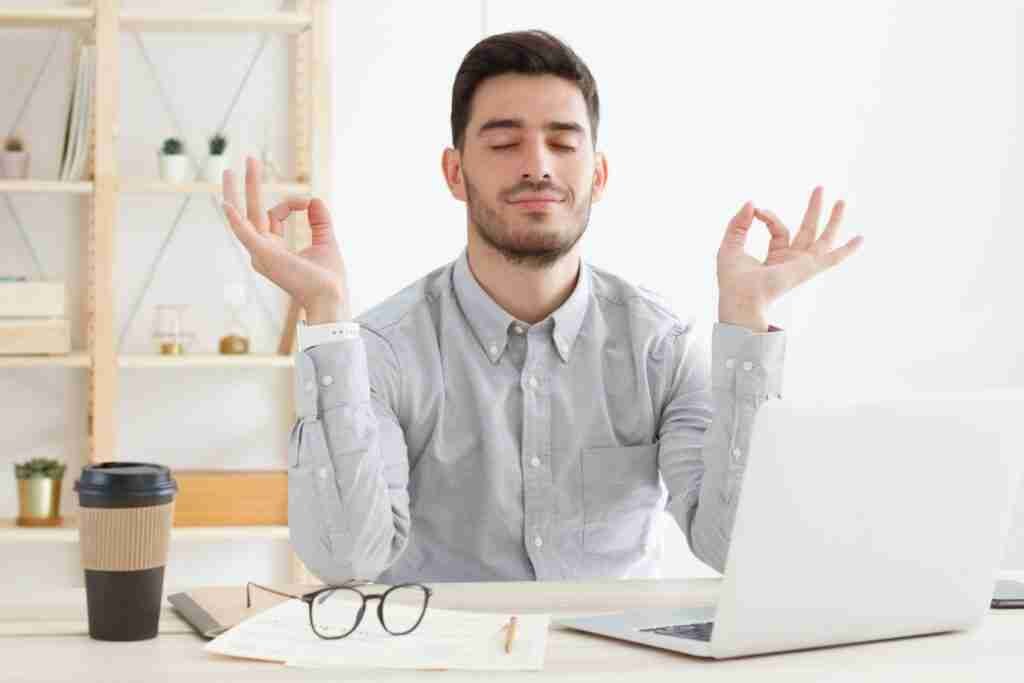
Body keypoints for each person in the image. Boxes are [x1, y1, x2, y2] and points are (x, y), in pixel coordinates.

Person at [221, 30, 863, 584]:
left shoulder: (658, 345)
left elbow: (735, 547)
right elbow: (346, 558)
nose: (537, 166)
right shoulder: (384, 348)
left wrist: (746, 325)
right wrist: (327, 313)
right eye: (504, 144)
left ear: (599, 175)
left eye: (563, 143)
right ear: (454, 172)